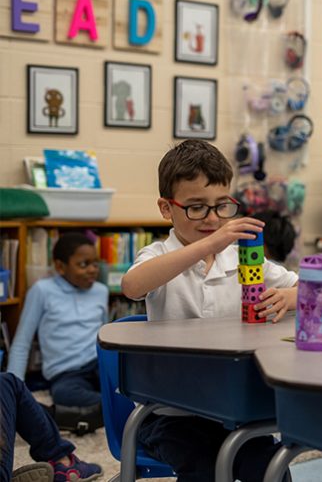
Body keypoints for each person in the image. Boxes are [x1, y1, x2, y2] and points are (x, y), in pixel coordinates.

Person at [121, 139, 299, 482]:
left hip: (233, 407)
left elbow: (311, 288)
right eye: (196, 208)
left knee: (272, 468)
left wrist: (291, 298)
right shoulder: (159, 255)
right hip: (170, 412)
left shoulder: (242, 257)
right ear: (165, 208)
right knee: (202, 468)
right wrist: (211, 242)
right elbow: (133, 286)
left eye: (221, 206)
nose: (212, 218)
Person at [7, 232, 108, 430]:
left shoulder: (100, 291)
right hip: (66, 373)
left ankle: (94, 411)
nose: (92, 270)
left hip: (98, 363)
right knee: (64, 394)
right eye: (83, 264)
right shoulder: (42, 291)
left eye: (95, 263)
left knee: (126, 383)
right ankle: (113, 407)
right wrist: (14, 392)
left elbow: (105, 337)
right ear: (60, 267)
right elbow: (22, 342)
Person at [1, 372, 102, 482]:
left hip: (90, 368)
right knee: (7, 383)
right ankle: (63, 463)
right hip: (65, 376)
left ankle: (79, 418)